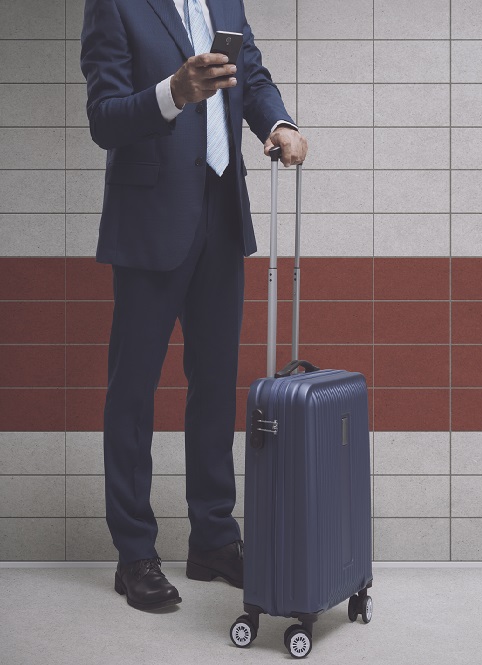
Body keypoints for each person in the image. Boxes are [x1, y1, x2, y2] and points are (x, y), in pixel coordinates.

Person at [80, 0, 307, 611]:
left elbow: (250, 76)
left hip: (222, 214)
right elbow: (104, 119)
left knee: (214, 386)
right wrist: (171, 93)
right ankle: (135, 555)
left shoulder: (224, 2)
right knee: (133, 392)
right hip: (151, 218)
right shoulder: (115, 6)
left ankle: (212, 538)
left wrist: (277, 125)